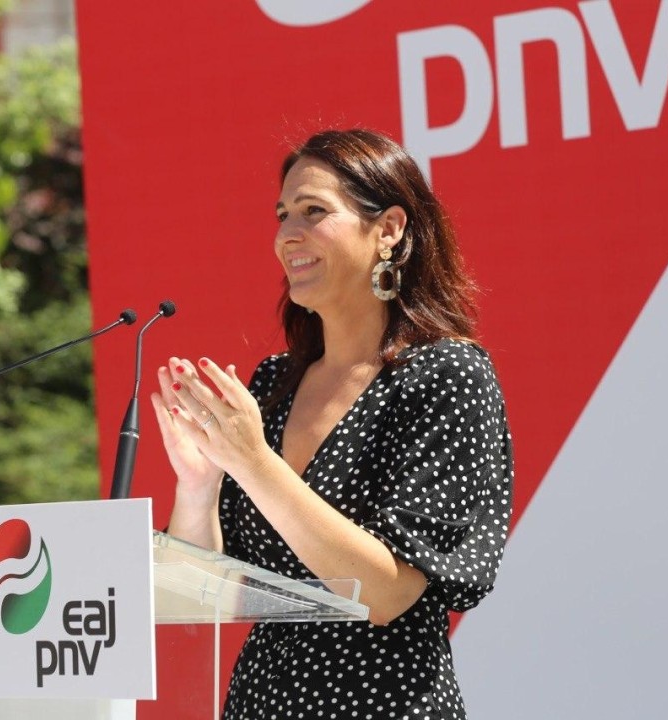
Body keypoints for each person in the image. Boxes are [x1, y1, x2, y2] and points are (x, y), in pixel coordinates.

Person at [150, 128, 513, 719]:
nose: (286, 234)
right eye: (282, 215)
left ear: (389, 229)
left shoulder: (447, 375)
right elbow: (192, 593)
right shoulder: (274, 383)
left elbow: (388, 592)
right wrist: (199, 485)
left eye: (313, 211)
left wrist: (253, 461)